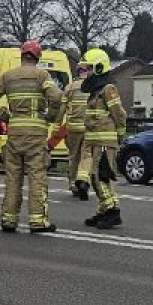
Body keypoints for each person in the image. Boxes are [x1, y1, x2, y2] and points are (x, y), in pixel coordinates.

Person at [0, 41, 66, 232]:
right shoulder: (42, 75)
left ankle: (9, 220)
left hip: (14, 135)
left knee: (13, 178)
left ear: (22, 55)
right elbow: (58, 98)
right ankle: (37, 221)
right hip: (35, 136)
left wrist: (4, 116)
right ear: (37, 57)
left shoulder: (8, 76)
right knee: (37, 177)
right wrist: (50, 116)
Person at [76, 47, 128, 227]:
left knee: (101, 177)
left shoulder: (108, 89)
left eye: (88, 69)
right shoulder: (95, 91)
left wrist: (119, 137)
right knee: (96, 177)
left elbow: (119, 115)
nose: (85, 73)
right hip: (95, 142)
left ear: (98, 68)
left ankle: (113, 212)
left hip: (105, 143)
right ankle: (104, 210)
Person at [60, 60, 92, 200]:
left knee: (73, 156)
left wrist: (57, 126)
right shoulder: (93, 87)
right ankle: (83, 180)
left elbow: (62, 108)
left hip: (73, 128)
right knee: (86, 155)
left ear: (78, 71)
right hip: (88, 127)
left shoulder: (70, 87)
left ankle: (73, 184)